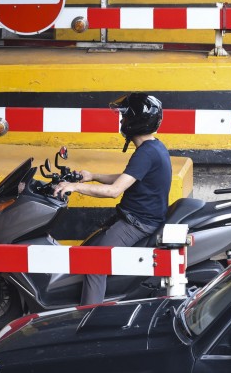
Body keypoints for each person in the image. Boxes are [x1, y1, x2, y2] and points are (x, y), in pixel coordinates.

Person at [53, 93, 171, 306]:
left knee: (95, 263)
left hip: (137, 223)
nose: (122, 121)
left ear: (136, 121)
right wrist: (93, 176)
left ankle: (88, 321)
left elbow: (115, 191)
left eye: (125, 117)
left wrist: (75, 186)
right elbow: (129, 178)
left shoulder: (146, 153)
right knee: (86, 251)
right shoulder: (154, 147)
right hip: (135, 218)